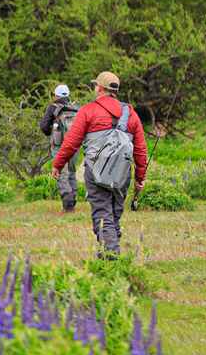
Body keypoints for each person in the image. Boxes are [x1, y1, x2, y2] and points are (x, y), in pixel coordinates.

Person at [52, 71, 148, 256]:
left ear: (100, 88)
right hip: (122, 173)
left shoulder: (88, 110)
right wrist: (140, 177)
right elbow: (140, 149)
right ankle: (108, 254)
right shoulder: (131, 113)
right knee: (114, 214)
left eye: (96, 85)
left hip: (96, 172)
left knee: (102, 214)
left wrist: (58, 164)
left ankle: (111, 255)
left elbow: (71, 142)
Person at [38, 84, 79, 211]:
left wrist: (51, 131)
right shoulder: (75, 108)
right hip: (74, 145)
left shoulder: (53, 107)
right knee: (72, 173)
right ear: (67, 95)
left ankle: (67, 205)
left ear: (55, 95)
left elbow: (44, 127)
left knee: (61, 173)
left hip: (59, 145)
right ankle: (73, 200)